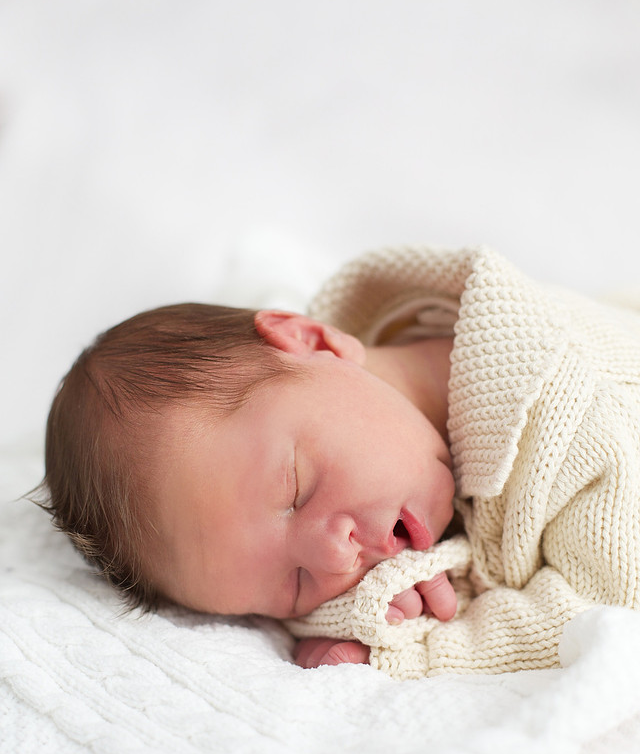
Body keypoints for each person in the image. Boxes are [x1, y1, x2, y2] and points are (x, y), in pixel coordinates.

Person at [39, 245, 640, 679]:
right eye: (293, 586)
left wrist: (407, 649)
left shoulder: (579, 418)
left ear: (315, 342)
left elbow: (604, 613)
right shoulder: (372, 426)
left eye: (298, 489)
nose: (333, 559)